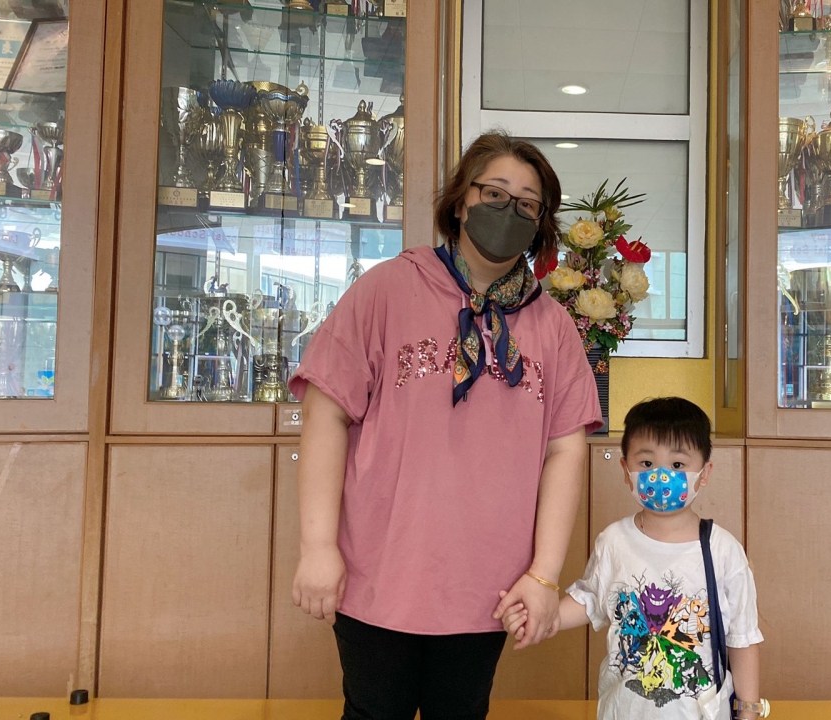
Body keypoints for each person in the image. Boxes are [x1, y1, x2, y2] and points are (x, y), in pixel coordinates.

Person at [288, 131, 602, 720]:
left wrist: (543, 576)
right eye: (494, 193)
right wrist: (318, 547)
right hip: (379, 571)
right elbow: (326, 411)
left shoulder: (554, 326)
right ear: (460, 202)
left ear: (541, 224)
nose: (508, 211)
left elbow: (565, 451)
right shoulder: (386, 289)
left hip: (488, 588)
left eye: (528, 204)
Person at [500, 397, 768, 720]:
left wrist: (748, 711)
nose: (661, 476)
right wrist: (542, 617)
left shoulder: (723, 551)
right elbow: (591, 599)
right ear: (626, 470)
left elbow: (743, 638)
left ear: (705, 472)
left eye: (678, 465)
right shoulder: (614, 541)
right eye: (646, 463)